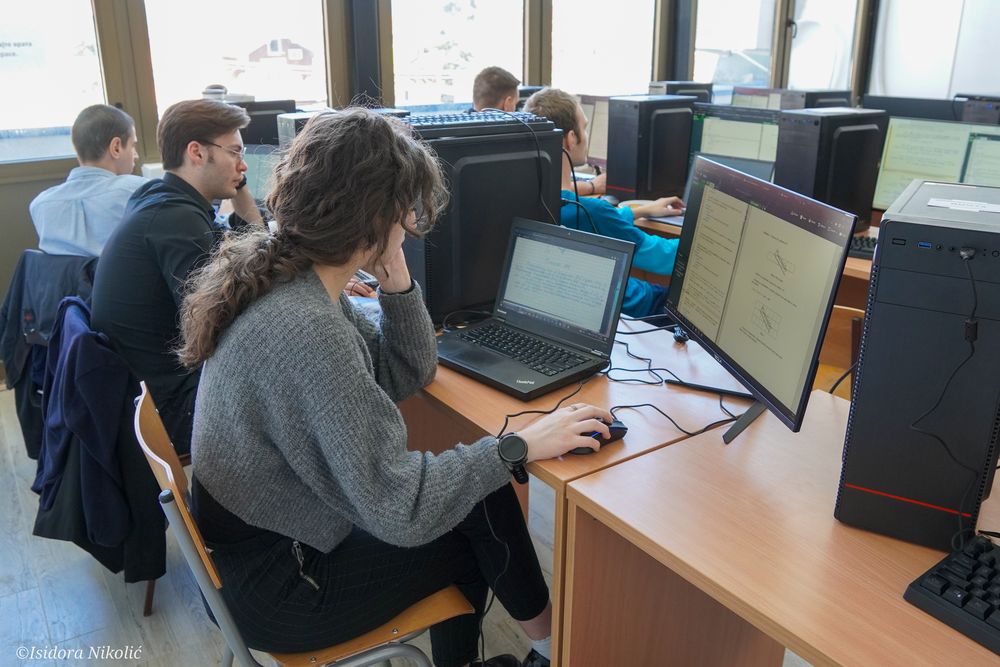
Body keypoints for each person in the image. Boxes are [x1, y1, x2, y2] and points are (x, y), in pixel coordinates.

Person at [179, 109, 613, 667]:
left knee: (477, 493)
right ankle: (550, 653)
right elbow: (401, 508)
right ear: (376, 216)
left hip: (267, 548)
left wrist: (398, 281)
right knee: (473, 508)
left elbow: (404, 370)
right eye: (404, 211)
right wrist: (520, 446)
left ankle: (544, 651)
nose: (408, 224)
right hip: (282, 586)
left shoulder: (295, 277)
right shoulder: (306, 326)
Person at [91, 99, 264, 456]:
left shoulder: (159, 198)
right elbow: (223, 324)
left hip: (149, 392)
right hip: (174, 407)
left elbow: (246, 247)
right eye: (234, 152)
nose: (243, 164)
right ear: (197, 152)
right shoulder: (176, 220)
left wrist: (238, 182)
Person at [525, 88, 685, 317]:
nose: (586, 135)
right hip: (634, 309)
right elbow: (662, 258)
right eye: (584, 127)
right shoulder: (592, 211)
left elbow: (597, 224)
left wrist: (639, 211)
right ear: (570, 139)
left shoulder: (531, 200)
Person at [29, 104, 146, 256]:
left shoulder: (40, 205)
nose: (136, 155)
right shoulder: (139, 192)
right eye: (133, 145)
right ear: (116, 147)